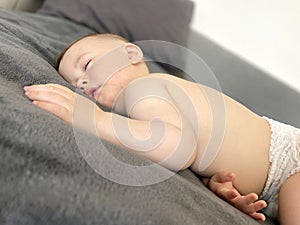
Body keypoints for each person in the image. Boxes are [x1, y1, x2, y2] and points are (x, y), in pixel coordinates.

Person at [24, 33, 300, 224]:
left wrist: (94, 119)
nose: (82, 83)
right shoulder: (148, 108)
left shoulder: (143, 88)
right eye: (75, 84)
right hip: (276, 186)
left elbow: (178, 147)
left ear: (130, 54)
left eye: (87, 65)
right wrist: (220, 183)